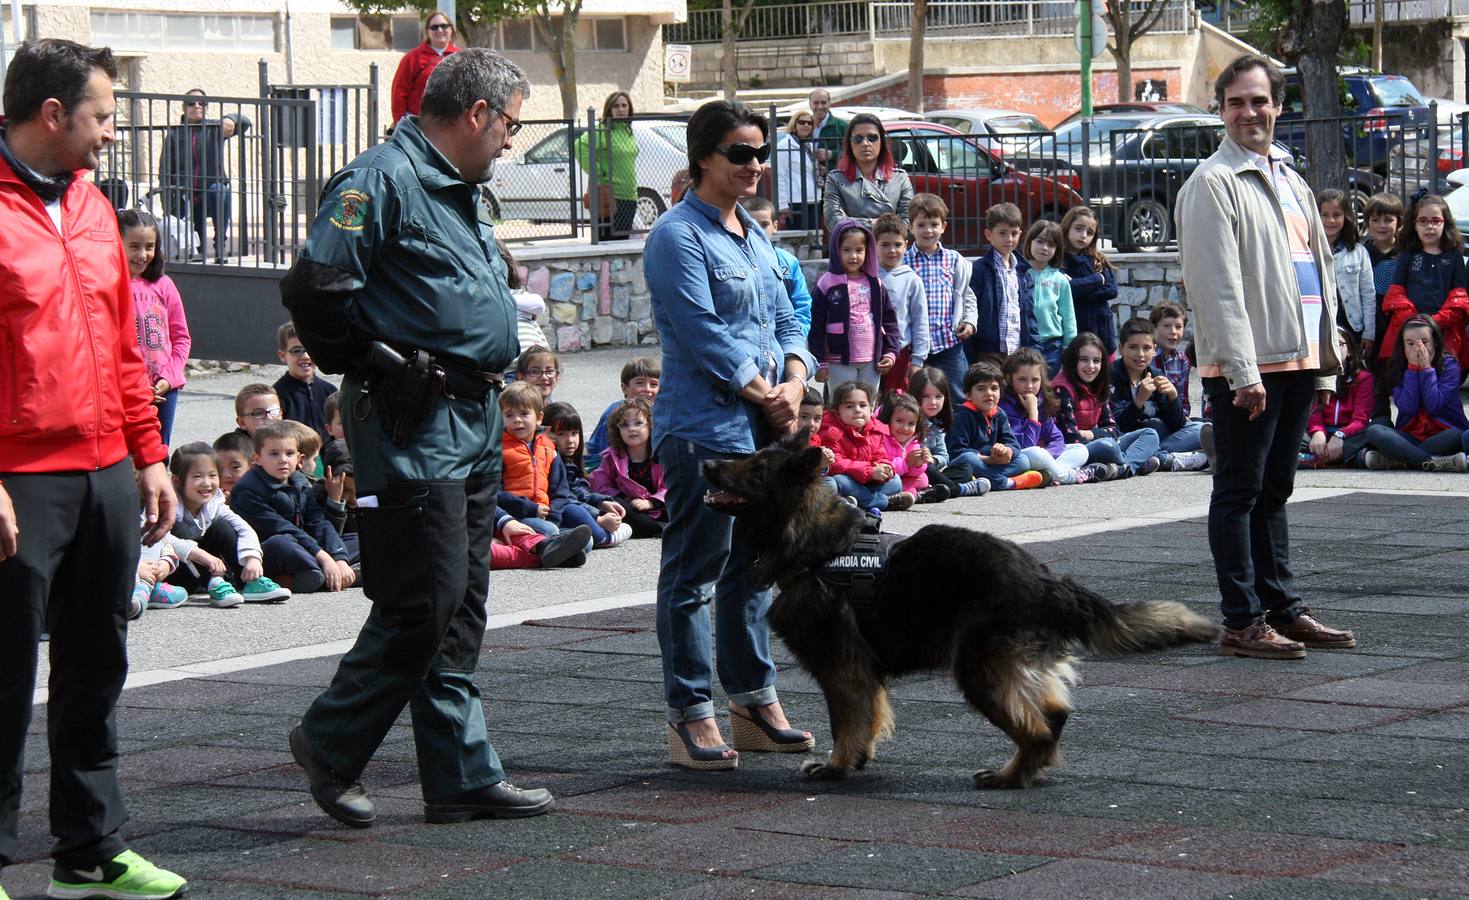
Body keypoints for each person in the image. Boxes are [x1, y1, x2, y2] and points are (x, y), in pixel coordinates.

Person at [280, 48, 555, 825]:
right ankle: (330, 739)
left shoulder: (455, 185)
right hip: (413, 418)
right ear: (476, 114)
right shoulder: (382, 179)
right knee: (423, 598)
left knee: (461, 603)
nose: (509, 141)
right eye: (509, 125)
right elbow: (314, 289)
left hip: (466, 416)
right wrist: (374, 360)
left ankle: (459, 772)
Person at [0, 38, 187, 899]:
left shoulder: (92, 207)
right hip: (18, 476)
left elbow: (121, 347)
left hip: (106, 464)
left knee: (95, 662)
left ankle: (90, 851)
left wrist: (148, 455)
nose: (112, 134)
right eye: (103, 116)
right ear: (51, 115)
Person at [643, 99, 816, 770]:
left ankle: (751, 699)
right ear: (703, 159)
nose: (755, 164)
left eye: (760, 151)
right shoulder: (676, 236)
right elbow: (699, 329)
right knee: (694, 572)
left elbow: (790, 311)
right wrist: (764, 392)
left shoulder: (754, 235)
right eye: (740, 153)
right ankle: (690, 713)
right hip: (704, 429)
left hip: (762, 423)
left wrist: (795, 381)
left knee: (754, 569)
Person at [1175, 52, 1353, 660]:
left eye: (1260, 100)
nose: (1250, 112)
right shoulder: (1212, 183)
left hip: (1298, 358)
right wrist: (1241, 371)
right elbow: (1215, 286)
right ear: (1220, 110)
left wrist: (1326, 357)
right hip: (1250, 367)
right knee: (1239, 490)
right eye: (1237, 102)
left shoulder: (1289, 177)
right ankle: (1241, 619)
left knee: (1275, 488)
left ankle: (1282, 608)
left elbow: (1318, 273)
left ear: (1278, 106)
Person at [227, 420, 357, 593]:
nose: (282, 460)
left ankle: (332, 573)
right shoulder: (247, 490)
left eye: (289, 453)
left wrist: (338, 557)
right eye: (274, 454)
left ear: (299, 458)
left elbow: (317, 521)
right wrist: (324, 557)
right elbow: (281, 528)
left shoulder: (299, 481)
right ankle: (313, 577)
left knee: (358, 539)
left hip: (305, 547)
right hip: (267, 552)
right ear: (257, 458)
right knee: (281, 542)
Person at [495, 381, 601, 548]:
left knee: (587, 542)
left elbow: (560, 490)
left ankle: (555, 546)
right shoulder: (500, 449)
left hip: (547, 516)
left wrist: (553, 514)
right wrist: (530, 508)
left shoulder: (549, 447)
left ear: (539, 418)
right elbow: (495, 493)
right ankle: (549, 545)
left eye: (524, 413)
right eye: (509, 415)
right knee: (551, 531)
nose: (517, 420)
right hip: (516, 516)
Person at [1359, 315, 1469, 472]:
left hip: (1444, 432)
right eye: (1410, 343)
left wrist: (1426, 369)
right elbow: (1408, 408)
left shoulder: (1449, 365)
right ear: (1402, 346)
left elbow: (1434, 405)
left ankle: (1400, 459)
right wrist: (1412, 369)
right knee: (1375, 430)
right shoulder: (1397, 367)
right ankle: (1431, 462)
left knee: (1457, 435)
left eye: (1424, 342)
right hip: (1410, 436)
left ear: (1435, 343)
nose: (1417, 348)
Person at [119, 207, 191, 446]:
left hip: (163, 390)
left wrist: (168, 378)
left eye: (149, 246)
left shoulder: (164, 285)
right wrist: (135, 386)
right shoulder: (108, 285)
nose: (142, 254)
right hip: (125, 392)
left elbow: (181, 338)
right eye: (134, 246)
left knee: (159, 452)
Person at [1378, 193, 1469, 372]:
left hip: (1444, 330)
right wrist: (1415, 322)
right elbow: (1396, 293)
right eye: (1423, 221)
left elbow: (1459, 295)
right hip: (1410, 329)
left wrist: (1437, 321)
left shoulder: (1454, 255)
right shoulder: (1408, 254)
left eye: (1436, 221)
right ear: (1414, 224)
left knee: (1442, 377)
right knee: (1410, 376)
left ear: (1446, 223)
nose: (1430, 226)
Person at [158, 88, 248, 264]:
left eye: (202, 103)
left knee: (220, 191)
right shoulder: (174, 135)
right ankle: (197, 249)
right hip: (186, 195)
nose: (196, 106)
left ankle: (220, 245)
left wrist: (230, 118)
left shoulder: (215, 128)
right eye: (191, 103)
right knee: (196, 246)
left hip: (210, 192)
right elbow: (164, 172)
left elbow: (245, 122)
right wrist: (167, 205)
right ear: (184, 107)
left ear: (207, 107)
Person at [1053, 332, 1162, 478]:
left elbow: (1113, 428)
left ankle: (1122, 468)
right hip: (1075, 450)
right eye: (1084, 360)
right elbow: (1071, 437)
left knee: (1150, 434)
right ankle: (1137, 462)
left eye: (1096, 361)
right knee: (1109, 446)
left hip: (1097, 441)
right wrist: (1099, 437)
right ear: (1073, 361)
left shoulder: (1099, 385)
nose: (1091, 366)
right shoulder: (1062, 389)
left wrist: (1091, 433)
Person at [1001, 347, 1114, 485]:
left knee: (1080, 450)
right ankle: (1068, 476)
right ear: (1010, 378)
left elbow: (1056, 438)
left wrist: (1049, 457)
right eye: (1022, 379)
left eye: (1035, 380)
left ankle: (1049, 474)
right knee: (1036, 452)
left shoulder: (1041, 401)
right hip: (1020, 459)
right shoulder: (1005, 406)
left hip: (1042, 459)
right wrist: (1033, 414)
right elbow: (1023, 447)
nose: (1029, 386)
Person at [810, 218, 901, 389]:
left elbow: (889, 322)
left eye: (859, 250)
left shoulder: (876, 283)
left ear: (868, 251)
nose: (853, 256)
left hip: (871, 360)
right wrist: (819, 362)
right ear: (836, 251)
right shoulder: (826, 284)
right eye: (846, 250)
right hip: (838, 361)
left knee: (867, 407)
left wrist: (890, 352)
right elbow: (816, 326)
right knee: (842, 405)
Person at [904, 194, 976, 406]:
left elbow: (966, 294)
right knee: (916, 399)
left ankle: (958, 438)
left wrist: (970, 321)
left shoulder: (953, 259)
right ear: (911, 227)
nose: (928, 230)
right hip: (915, 346)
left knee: (959, 397)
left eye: (934, 224)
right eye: (921, 224)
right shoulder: (903, 260)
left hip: (948, 343)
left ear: (943, 227)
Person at [1110, 318, 1208, 471]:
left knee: (1201, 429)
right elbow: (1117, 425)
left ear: (1154, 349)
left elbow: (1177, 424)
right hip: (1129, 438)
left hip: (1159, 437)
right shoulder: (1112, 376)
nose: (1140, 354)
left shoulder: (1155, 375)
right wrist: (1139, 400)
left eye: (1146, 348)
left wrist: (1173, 397)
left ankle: (1152, 456)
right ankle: (1164, 458)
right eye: (1133, 347)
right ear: (1121, 349)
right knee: (1143, 437)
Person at [946, 361, 1048, 491]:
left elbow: (1013, 443)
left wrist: (1007, 451)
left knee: (1023, 460)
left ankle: (982, 480)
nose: (989, 393)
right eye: (981, 389)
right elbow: (957, 452)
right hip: (972, 463)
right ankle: (1008, 483)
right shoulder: (962, 416)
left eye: (994, 388)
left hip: (992, 464)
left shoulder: (999, 414)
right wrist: (990, 460)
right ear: (968, 394)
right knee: (968, 458)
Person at [543, 402, 632, 548]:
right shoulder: (550, 459)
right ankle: (604, 536)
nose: (570, 440)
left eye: (574, 433)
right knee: (575, 511)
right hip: (553, 509)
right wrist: (597, 517)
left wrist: (600, 502)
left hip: (565, 507)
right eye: (561, 434)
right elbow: (564, 498)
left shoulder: (570, 461)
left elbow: (577, 489)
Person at [817, 380, 914, 510]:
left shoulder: (874, 430)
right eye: (849, 406)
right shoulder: (833, 432)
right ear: (837, 412)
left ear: (871, 408)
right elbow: (836, 464)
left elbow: (880, 456)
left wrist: (886, 468)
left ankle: (855, 501)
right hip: (849, 480)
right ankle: (883, 503)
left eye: (862, 405)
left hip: (866, 481)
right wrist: (870, 471)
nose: (857, 410)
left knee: (895, 481)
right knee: (839, 481)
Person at [590, 397, 668, 537]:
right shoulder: (612, 456)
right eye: (625, 425)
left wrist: (651, 503)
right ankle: (654, 529)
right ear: (617, 430)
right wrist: (624, 498)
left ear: (651, 425)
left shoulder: (661, 454)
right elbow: (599, 485)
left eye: (638, 423)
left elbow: (670, 486)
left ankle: (657, 528)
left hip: (660, 509)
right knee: (611, 504)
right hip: (630, 508)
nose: (631, 428)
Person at [967, 202, 1035, 362]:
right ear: (989, 235)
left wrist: (1034, 346)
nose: (1009, 239)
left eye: (1014, 233)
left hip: (1018, 351)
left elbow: (1030, 314)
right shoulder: (979, 270)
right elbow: (971, 309)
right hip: (988, 352)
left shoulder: (1024, 272)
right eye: (1002, 233)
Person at [822, 113, 912, 231]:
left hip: (890, 247)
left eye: (872, 138)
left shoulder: (900, 178)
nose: (865, 143)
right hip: (854, 247)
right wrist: (883, 223)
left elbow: (908, 220)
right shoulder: (836, 179)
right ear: (850, 144)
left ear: (882, 142)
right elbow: (833, 221)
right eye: (858, 139)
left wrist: (852, 221)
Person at [872, 212, 929, 394]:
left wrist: (918, 360)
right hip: (867, 351)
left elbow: (920, 321)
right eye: (885, 245)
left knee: (895, 402)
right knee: (868, 400)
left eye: (897, 245)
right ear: (874, 245)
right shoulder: (866, 277)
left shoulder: (912, 280)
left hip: (900, 352)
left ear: (906, 245)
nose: (892, 250)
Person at [909, 366, 987, 497]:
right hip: (912, 471)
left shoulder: (937, 423)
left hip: (932, 469)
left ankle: (935, 489)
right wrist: (921, 461)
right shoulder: (908, 421)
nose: (933, 402)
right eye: (926, 396)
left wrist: (933, 459)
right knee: (927, 469)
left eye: (938, 396)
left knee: (965, 468)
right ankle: (958, 490)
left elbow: (944, 456)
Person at [1301, 329, 1373, 469]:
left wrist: (1340, 435)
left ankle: (1314, 459)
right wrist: (1317, 432)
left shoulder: (1364, 378)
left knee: (1376, 430)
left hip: (1350, 434)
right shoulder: (1314, 375)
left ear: (1350, 350)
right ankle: (1350, 458)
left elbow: (1361, 419)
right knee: (1291, 434)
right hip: (1321, 433)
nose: (1331, 349)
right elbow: (1314, 412)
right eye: (1326, 345)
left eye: (1337, 344)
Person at [576, 91, 639, 241]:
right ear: (609, 109)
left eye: (624, 105)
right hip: (609, 196)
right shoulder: (603, 129)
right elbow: (579, 146)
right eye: (616, 106)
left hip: (629, 196)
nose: (621, 109)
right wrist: (598, 170)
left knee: (622, 243)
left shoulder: (627, 130)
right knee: (608, 243)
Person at [746, 196, 813, 334]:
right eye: (752, 225)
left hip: (786, 340)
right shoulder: (734, 261)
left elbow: (801, 304)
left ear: (775, 226)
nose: (758, 230)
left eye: (764, 225)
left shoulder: (789, 262)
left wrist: (796, 338)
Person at [1363, 191, 1403, 420]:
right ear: (1367, 222)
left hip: (1398, 326)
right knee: (1376, 381)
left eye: (1388, 219)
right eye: (1375, 219)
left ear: (1399, 222)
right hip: (1372, 325)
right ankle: (1381, 425)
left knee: (1400, 377)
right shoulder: (1362, 252)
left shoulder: (1406, 254)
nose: (1381, 225)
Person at [1059, 206, 1119, 355]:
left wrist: (1080, 288)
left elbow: (1112, 290)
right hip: (1077, 330)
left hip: (1102, 330)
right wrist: (1098, 279)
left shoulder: (1098, 260)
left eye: (1089, 232)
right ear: (1067, 227)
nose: (1083, 235)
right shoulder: (1059, 261)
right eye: (1078, 229)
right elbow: (1068, 290)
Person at [1319, 189, 1374, 347]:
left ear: (1346, 217)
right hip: (1320, 326)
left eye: (1336, 215)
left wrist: (1369, 333)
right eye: (1325, 215)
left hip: (1352, 325)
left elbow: (1368, 294)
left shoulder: (1358, 252)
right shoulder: (1309, 251)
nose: (1330, 220)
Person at [585, 356, 661, 470]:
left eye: (654, 384)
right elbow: (606, 455)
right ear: (625, 389)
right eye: (640, 383)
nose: (647, 389)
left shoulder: (659, 414)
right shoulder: (616, 413)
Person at [1022, 219, 1076, 375]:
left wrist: (1069, 347)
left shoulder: (1060, 279)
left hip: (1052, 346)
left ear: (1057, 250)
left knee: (1048, 388)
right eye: (1039, 241)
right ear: (1030, 241)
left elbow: (1068, 316)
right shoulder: (1019, 273)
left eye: (1051, 245)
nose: (1044, 248)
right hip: (1025, 343)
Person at [274, 321, 339, 446]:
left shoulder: (330, 391)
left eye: (310, 348)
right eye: (296, 350)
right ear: (282, 355)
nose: (305, 356)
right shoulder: (277, 395)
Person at [877, 391, 947, 503]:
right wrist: (906, 463)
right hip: (887, 479)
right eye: (899, 421)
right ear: (888, 419)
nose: (905, 428)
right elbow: (884, 466)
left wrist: (919, 464)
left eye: (911, 424)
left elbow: (914, 473)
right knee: (895, 483)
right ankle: (914, 496)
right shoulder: (882, 439)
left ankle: (911, 496)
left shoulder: (913, 441)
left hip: (904, 478)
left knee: (923, 478)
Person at [390, 10, 459, 123]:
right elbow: (399, 92)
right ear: (427, 31)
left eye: (444, 26)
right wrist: (400, 123)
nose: (440, 30)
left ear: (451, 29)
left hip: (451, 124)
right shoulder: (413, 58)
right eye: (434, 27)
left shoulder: (460, 57)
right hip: (418, 124)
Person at [777, 108, 823, 230]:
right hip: (795, 201)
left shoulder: (809, 145)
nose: (806, 125)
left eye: (809, 123)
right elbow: (779, 175)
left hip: (814, 198)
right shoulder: (784, 145)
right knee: (798, 240)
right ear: (794, 124)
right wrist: (782, 204)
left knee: (814, 238)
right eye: (802, 122)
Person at [1150, 301, 1193, 417]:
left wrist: (1183, 417)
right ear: (1153, 328)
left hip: (1174, 418)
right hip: (1149, 419)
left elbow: (1183, 399)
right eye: (1166, 326)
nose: (1173, 332)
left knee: (1206, 425)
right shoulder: (1146, 357)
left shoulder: (1182, 360)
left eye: (1178, 327)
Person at [808, 88, 846, 164]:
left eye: (823, 103)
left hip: (834, 174)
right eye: (816, 103)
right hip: (806, 174)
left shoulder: (842, 126)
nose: (820, 107)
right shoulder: (803, 125)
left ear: (829, 103)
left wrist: (831, 154)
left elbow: (854, 153)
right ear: (810, 104)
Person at [213, 431, 253, 499]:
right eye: (219, 468)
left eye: (235, 467)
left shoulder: (257, 495)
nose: (226, 474)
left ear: (252, 467)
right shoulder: (208, 496)